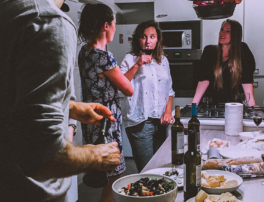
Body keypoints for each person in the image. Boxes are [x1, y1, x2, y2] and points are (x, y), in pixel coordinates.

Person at [0, 0, 121, 201]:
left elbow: (12, 96)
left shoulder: (9, 12)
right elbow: (41, 155)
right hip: (30, 192)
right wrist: (96, 155)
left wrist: (70, 107)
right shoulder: (49, 21)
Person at [77, 3, 133, 202]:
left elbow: (115, 84)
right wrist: (137, 66)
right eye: (114, 24)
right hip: (107, 125)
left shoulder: (84, 52)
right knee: (114, 178)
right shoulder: (104, 57)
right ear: (106, 25)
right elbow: (128, 89)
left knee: (106, 177)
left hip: (92, 122)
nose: (115, 28)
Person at [120, 20, 175, 172]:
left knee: (160, 168)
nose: (147, 41)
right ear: (138, 39)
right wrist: (137, 65)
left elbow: (169, 90)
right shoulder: (129, 59)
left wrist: (168, 111)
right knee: (147, 170)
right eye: (143, 37)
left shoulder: (163, 61)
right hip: (140, 122)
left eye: (152, 37)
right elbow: (121, 86)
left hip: (161, 123)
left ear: (157, 39)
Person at [192, 19, 256, 106]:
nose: (222, 33)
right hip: (211, 105)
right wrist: (193, 105)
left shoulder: (243, 51)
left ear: (235, 35)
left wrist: (252, 106)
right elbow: (204, 80)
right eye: (222, 29)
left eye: (228, 31)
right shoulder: (209, 51)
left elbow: (246, 81)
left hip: (235, 106)